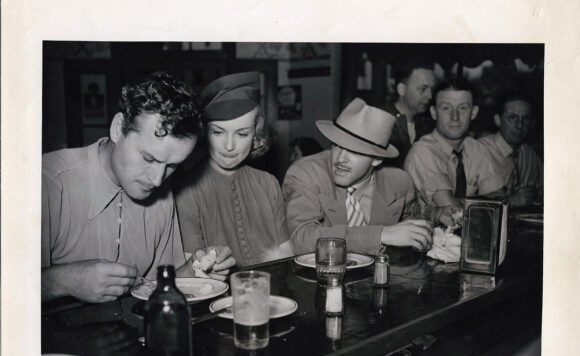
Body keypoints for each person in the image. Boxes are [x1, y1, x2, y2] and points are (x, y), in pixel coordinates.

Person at [42, 73, 235, 304]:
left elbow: (155, 287)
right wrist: (60, 282)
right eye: (148, 158)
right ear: (118, 129)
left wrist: (196, 271)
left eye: (172, 166)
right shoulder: (46, 182)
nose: (156, 180)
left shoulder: (162, 195)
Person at [283, 97, 433, 255]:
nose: (340, 159)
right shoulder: (306, 172)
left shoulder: (400, 183)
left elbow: (412, 230)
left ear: (377, 159)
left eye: (355, 151)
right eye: (336, 145)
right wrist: (381, 235)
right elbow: (301, 239)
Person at [175, 72, 293, 267]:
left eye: (242, 133)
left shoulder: (269, 183)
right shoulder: (187, 190)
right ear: (205, 132)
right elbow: (193, 268)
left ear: (256, 133)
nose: (229, 146)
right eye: (218, 132)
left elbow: (285, 253)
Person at [404, 78, 505, 210]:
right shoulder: (423, 152)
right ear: (434, 113)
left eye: (462, 108)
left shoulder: (475, 148)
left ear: (473, 113)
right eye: (446, 108)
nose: (455, 117)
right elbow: (453, 211)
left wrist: (464, 203)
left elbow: (499, 200)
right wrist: (481, 202)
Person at [478, 91, 543, 207]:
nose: (519, 125)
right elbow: (465, 204)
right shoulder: (479, 151)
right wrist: (513, 201)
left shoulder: (529, 154)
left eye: (526, 119)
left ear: (532, 124)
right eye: (513, 118)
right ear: (498, 120)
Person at [383, 59, 436, 168]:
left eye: (432, 90)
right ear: (402, 89)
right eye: (423, 89)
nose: (430, 96)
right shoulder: (382, 122)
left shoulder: (426, 126)